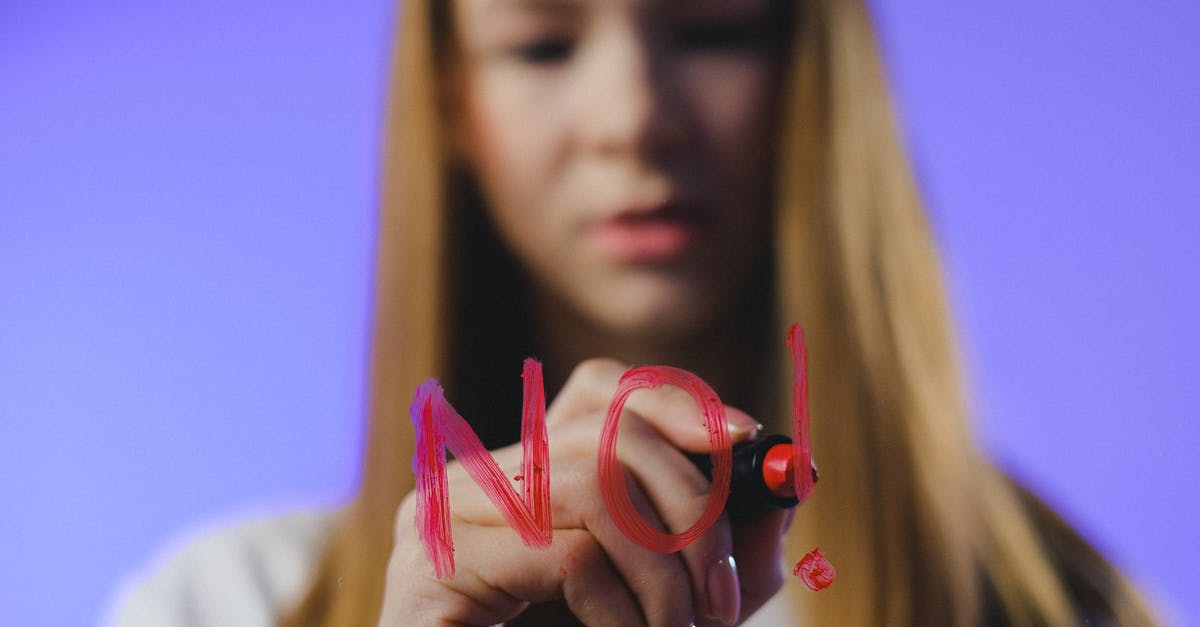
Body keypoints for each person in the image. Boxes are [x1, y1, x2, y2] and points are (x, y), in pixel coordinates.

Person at [110, 0, 1159, 625]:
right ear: (450, 103)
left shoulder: (1067, 604)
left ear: (814, 75)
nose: (634, 120)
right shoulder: (224, 602)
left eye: (710, 28)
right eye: (543, 45)